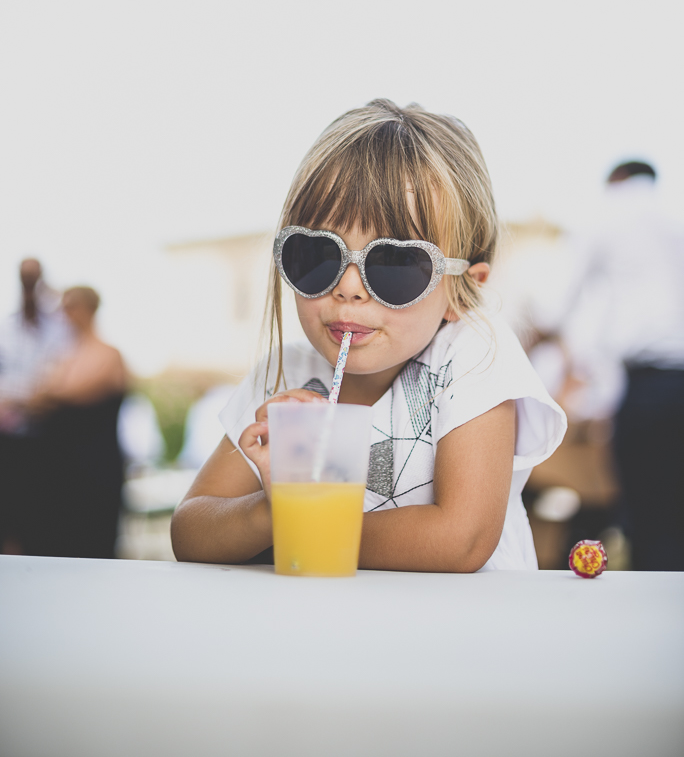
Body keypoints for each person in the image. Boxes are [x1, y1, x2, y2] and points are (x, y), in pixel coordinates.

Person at [172, 100, 566, 571]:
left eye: (395, 264)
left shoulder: (473, 355)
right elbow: (191, 530)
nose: (349, 288)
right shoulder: (287, 377)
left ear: (464, 289)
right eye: (316, 255)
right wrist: (272, 510)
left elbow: (462, 538)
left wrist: (308, 526)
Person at [558, 162, 684, 570]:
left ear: (616, 181)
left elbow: (563, 293)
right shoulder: (673, 216)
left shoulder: (611, 214)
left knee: (644, 508)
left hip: (650, 387)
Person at [27, 286, 129, 558]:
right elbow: (38, 396)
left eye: (70, 306)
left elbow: (75, 393)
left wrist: (49, 394)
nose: (65, 314)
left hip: (94, 467)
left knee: (92, 541)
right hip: (61, 468)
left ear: (88, 309)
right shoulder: (64, 354)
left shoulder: (108, 355)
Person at [0, 259, 72, 553]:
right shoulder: (7, 327)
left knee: (38, 520)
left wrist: (22, 398)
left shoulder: (59, 329)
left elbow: (56, 385)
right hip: (8, 439)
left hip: (47, 440)